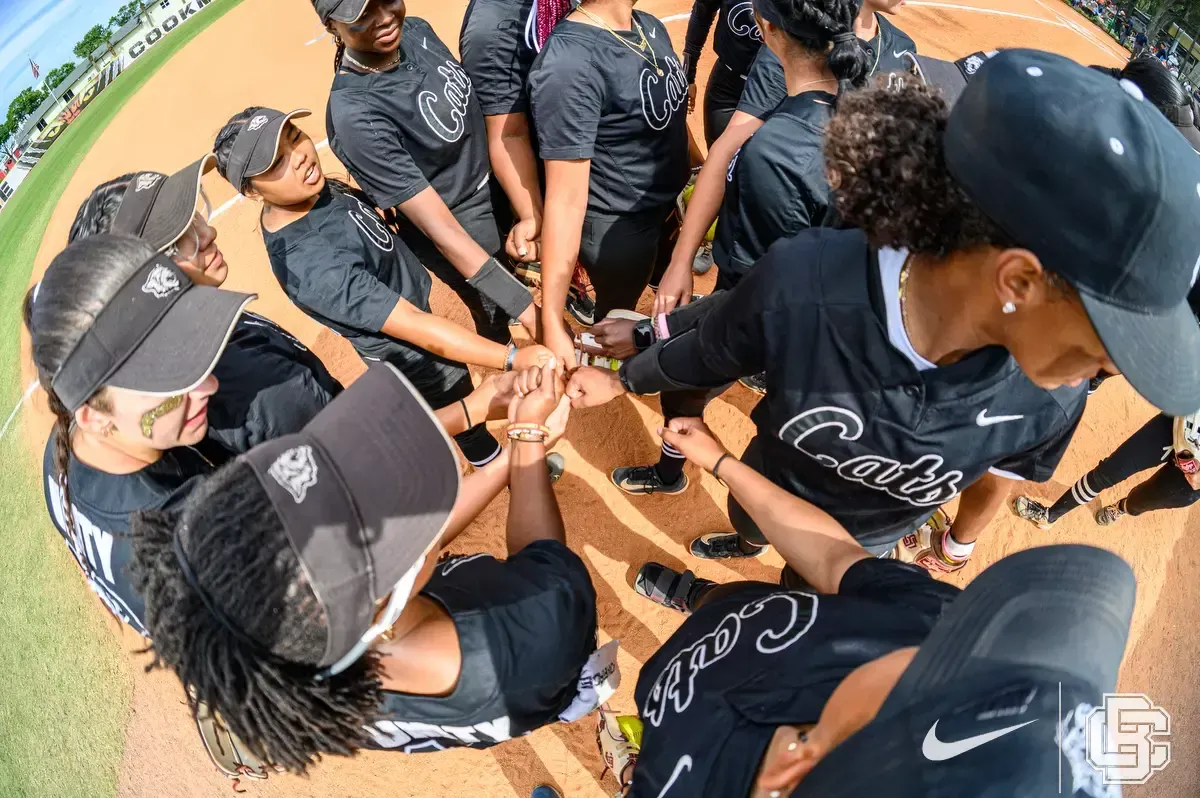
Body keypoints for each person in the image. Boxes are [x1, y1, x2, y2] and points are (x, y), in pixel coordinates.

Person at [567, 50, 1200, 571]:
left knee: (807, 590)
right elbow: (717, 337)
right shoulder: (807, 281)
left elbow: (1002, 474)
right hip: (773, 481)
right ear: (1020, 280)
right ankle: (747, 540)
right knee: (751, 521)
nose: (1111, 371)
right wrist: (639, 353)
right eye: (1112, 338)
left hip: (863, 548)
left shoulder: (1053, 399)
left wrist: (958, 543)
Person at [129, 360, 611, 771]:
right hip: (538, 670)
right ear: (381, 602)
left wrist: (512, 453)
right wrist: (527, 440)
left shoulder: (296, 653)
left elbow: (413, 551)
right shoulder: (541, 632)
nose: (406, 507)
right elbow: (541, 558)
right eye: (384, 512)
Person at [620, 417, 1134, 798]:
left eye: (955, 669)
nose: (964, 634)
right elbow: (834, 556)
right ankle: (698, 597)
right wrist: (720, 461)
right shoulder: (936, 620)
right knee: (733, 603)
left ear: (794, 767)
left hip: (672, 718)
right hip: (744, 623)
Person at [212, 107, 558, 472]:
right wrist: (512, 359)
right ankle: (504, 471)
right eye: (277, 162)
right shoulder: (312, 265)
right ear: (251, 191)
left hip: (412, 316)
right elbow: (412, 324)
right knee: (461, 407)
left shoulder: (312, 191)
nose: (298, 156)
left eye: (295, 137)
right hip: (410, 350)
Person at [27, 234, 255, 636]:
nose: (208, 385)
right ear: (96, 417)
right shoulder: (199, 540)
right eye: (166, 381)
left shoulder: (65, 449)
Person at [652, 0, 916, 322]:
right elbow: (727, 149)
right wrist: (681, 259)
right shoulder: (800, 43)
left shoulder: (902, 51)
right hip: (784, 240)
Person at [67, 156, 343, 454]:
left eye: (193, 219)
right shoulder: (249, 385)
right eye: (180, 237)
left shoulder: (199, 330)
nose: (208, 234)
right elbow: (344, 443)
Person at [313, 0, 539, 345]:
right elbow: (442, 230)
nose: (385, 18)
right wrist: (531, 314)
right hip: (464, 230)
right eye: (362, 15)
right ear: (332, 26)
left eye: (387, 0)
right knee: (495, 312)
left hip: (501, 184)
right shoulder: (356, 115)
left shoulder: (416, 30)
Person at [528, 0, 695, 368]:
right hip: (619, 230)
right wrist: (552, 318)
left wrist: (696, 164)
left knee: (668, 287)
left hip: (665, 208)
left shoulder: (648, 25)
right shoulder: (569, 64)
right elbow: (565, 200)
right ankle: (617, 368)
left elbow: (672, 116)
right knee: (618, 318)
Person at [1015, 411, 1200, 529]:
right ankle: (1049, 516)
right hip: (1179, 424)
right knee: (1107, 473)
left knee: (1139, 501)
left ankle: (1121, 508)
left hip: (1193, 477)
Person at [681, 0, 766, 146]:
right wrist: (688, 75)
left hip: (779, 90)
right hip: (727, 88)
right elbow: (702, 14)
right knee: (717, 152)